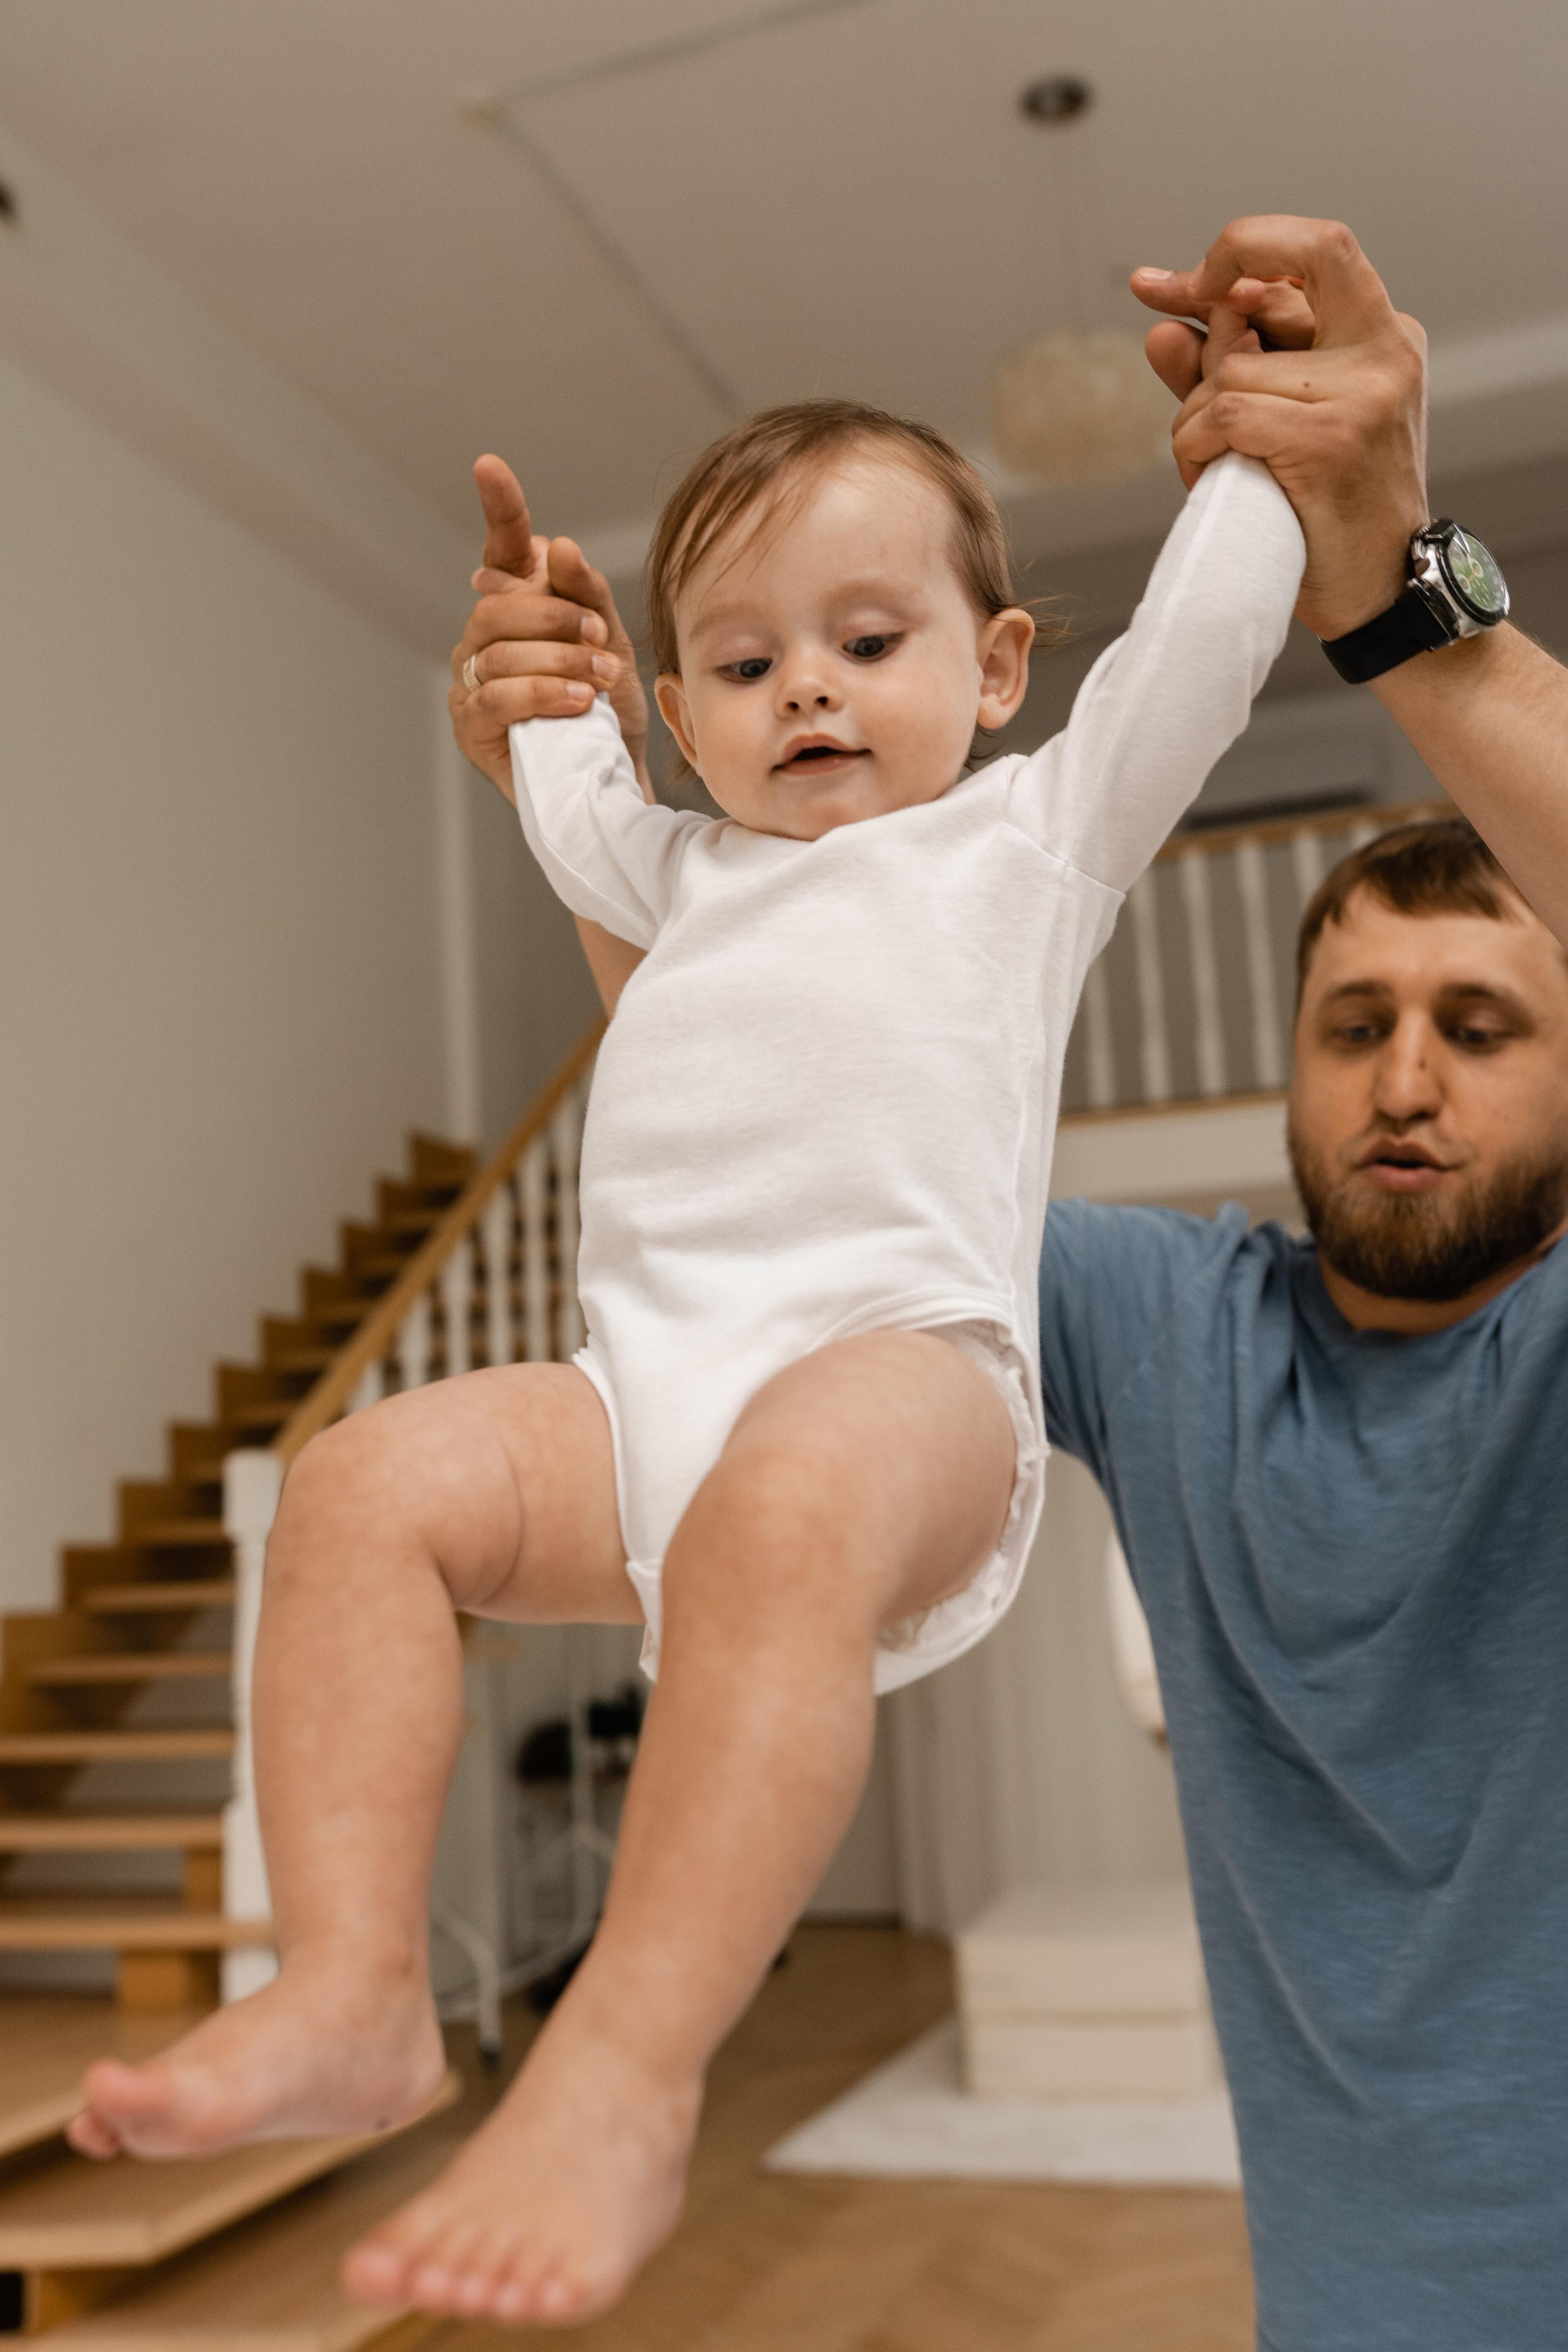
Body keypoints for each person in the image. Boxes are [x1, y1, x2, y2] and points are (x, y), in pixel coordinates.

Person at [66, 315, 1305, 2318]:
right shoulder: (676, 875)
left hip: (911, 1389)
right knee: (362, 1486)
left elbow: (1200, 652)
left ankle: (630, 2075)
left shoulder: (1027, 843)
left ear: (995, 673)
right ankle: (357, 1985)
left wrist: (1258, 448)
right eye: (744, 661)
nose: (805, 681)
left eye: (869, 639)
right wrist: (535, 650)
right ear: (687, 710)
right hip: (644, 1410)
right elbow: (565, 781)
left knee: (789, 1501)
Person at [445, 219, 1568, 2352]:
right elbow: (787, 1126)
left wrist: (1398, 595)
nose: (1406, 1076)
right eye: (1354, 1025)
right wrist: (593, 793)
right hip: (1361, 2297)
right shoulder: (1168, 1325)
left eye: (1487, 1023)